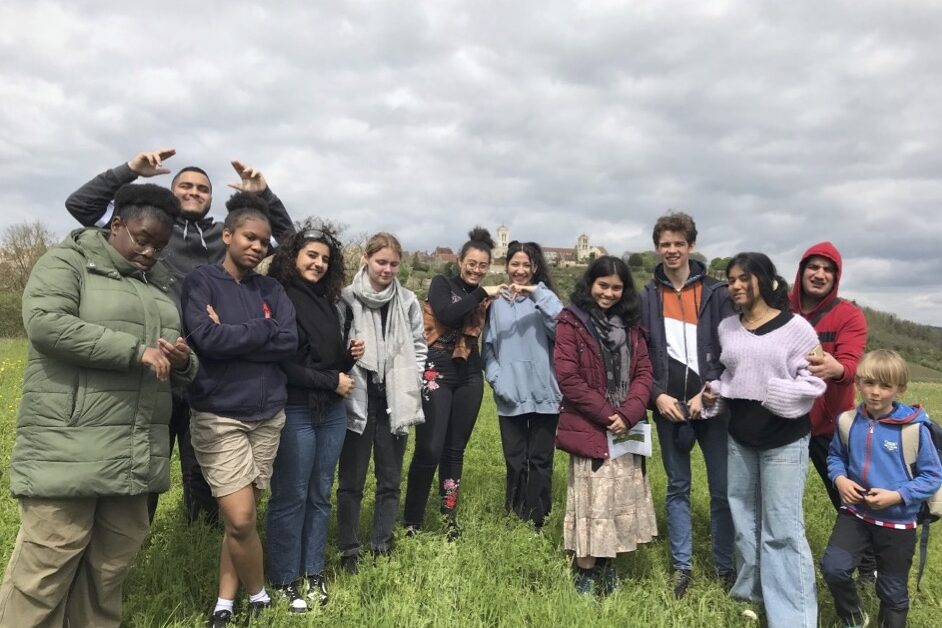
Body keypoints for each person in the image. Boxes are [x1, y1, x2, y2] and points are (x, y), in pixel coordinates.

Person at [0, 184, 198, 627]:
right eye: (142, 239)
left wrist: (183, 360)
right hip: (68, 450)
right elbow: (47, 324)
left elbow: (173, 358)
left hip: (131, 455)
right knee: (43, 575)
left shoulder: (159, 287)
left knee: (108, 573)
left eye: (159, 246)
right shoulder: (66, 263)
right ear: (116, 225)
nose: (149, 252)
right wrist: (135, 350)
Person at [65, 148, 295, 525]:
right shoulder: (153, 232)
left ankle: (199, 544)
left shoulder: (226, 239)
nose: (194, 192)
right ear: (171, 191)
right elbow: (81, 206)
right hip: (155, 369)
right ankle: (135, 538)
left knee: (202, 475)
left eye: (202, 188)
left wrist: (263, 195)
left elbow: (288, 243)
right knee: (146, 469)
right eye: (185, 185)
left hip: (207, 375)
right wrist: (130, 171)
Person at [181, 193, 297, 626]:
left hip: (268, 416)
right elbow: (205, 341)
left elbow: (288, 342)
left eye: (265, 242)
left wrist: (235, 335)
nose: (258, 246)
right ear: (227, 235)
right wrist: (262, 330)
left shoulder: (272, 288)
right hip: (220, 415)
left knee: (240, 523)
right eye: (250, 237)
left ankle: (224, 602)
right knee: (242, 517)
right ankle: (261, 595)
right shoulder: (201, 282)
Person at [701, 252, 825, 628]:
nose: (735, 286)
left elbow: (812, 382)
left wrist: (770, 392)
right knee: (744, 519)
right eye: (731, 279)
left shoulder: (797, 328)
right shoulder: (727, 328)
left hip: (783, 441)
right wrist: (715, 394)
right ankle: (750, 595)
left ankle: (794, 618)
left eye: (744, 278)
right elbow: (731, 376)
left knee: (782, 530)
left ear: (766, 281)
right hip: (740, 439)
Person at [265, 223, 363, 611]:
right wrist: (331, 380)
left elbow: (330, 361)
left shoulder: (328, 301)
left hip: (331, 411)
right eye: (312, 255)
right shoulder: (280, 297)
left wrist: (349, 356)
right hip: (297, 408)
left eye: (325, 258)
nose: (319, 263)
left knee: (320, 495)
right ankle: (285, 578)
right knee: (290, 496)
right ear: (293, 257)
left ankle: (313, 571)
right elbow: (283, 362)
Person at [640, 212, 735, 597]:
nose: (672, 250)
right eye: (665, 244)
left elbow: (733, 349)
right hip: (668, 406)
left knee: (721, 489)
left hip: (711, 404)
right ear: (657, 248)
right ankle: (683, 567)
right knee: (677, 486)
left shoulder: (717, 293)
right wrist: (655, 395)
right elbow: (640, 353)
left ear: (691, 246)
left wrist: (709, 390)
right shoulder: (647, 295)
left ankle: (725, 567)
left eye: (679, 243)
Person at [553, 256, 656, 596]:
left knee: (617, 499)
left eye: (616, 287)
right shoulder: (571, 321)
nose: (609, 293)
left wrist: (628, 412)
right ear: (590, 284)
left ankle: (607, 563)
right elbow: (568, 376)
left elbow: (643, 371)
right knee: (591, 499)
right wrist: (607, 414)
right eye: (603, 285)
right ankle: (585, 571)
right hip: (591, 425)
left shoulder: (633, 325)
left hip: (626, 426)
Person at [820, 350, 942, 628]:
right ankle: (853, 616)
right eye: (869, 383)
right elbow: (836, 457)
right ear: (858, 382)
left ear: (900, 389)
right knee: (834, 568)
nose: (875, 392)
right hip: (855, 514)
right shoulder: (848, 421)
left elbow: (933, 475)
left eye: (885, 386)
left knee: (892, 590)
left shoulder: (913, 428)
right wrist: (839, 479)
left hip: (897, 523)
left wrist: (898, 495)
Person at [403, 227, 504, 540]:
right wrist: (482, 293)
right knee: (430, 448)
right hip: (437, 370)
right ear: (460, 260)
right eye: (471, 263)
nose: (476, 269)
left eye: (482, 265)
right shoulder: (442, 284)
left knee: (454, 450)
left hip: (470, 373)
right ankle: (412, 521)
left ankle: (449, 517)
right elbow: (447, 313)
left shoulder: (487, 297)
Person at [337, 232, 426, 573]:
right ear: (366, 259)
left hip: (395, 396)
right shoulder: (345, 298)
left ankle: (381, 543)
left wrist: (411, 379)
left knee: (390, 479)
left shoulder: (407, 301)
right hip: (357, 396)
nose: (387, 269)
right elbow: (335, 344)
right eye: (381, 262)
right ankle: (349, 547)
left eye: (393, 264)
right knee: (351, 481)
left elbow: (419, 345)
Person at [483, 240, 563, 529]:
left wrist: (536, 292)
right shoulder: (494, 305)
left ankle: (538, 518)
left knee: (540, 459)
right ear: (506, 266)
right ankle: (515, 515)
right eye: (514, 264)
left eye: (525, 265)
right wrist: (497, 380)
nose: (519, 270)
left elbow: (564, 326)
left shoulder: (545, 300)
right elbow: (488, 351)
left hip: (545, 394)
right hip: (510, 395)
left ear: (535, 268)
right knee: (515, 460)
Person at [788, 245, 868, 497]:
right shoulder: (778, 310)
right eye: (813, 267)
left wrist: (838, 369)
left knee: (849, 497)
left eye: (828, 269)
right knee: (777, 498)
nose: (819, 274)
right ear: (801, 271)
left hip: (828, 427)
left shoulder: (849, 315)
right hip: (782, 425)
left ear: (836, 277)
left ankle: (863, 534)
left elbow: (853, 366)